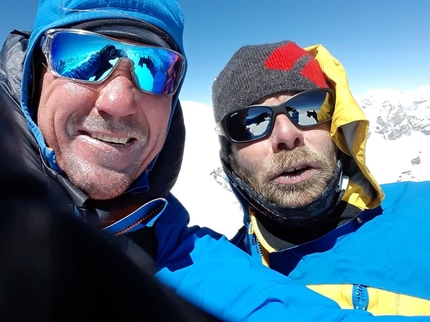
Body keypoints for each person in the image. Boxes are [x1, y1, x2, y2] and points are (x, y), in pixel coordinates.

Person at [3, 0, 429, 319]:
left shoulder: (177, 251)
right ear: (35, 74)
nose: (286, 134)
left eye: (155, 67)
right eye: (79, 56)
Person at [212, 40, 430, 316]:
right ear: (229, 155)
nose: (287, 136)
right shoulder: (221, 278)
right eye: (250, 122)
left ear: (336, 124)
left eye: (309, 107)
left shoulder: (424, 210)